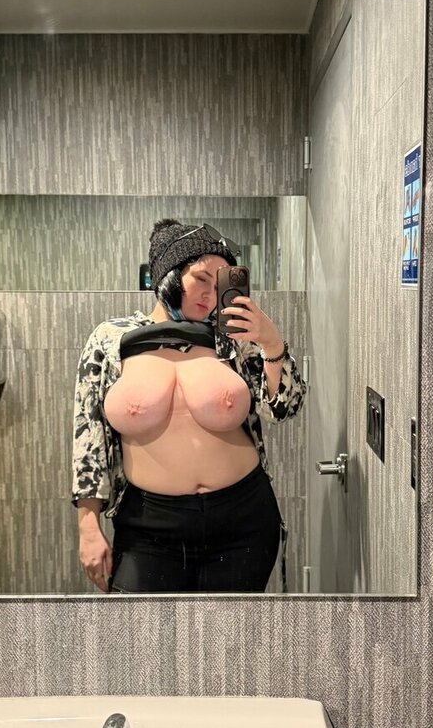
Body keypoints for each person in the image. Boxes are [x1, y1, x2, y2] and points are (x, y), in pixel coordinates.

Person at [72, 219, 306, 594]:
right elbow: (89, 437)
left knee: (234, 631)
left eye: (219, 285)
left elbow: (282, 409)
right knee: (142, 630)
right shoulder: (112, 340)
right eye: (201, 279)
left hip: (243, 520)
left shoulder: (233, 339)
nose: (210, 296)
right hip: (148, 527)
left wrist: (271, 343)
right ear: (168, 274)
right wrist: (88, 526)